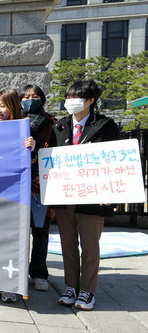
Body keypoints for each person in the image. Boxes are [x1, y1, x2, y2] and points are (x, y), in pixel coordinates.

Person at [53, 80, 120, 311]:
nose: (70, 102)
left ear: (91, 100)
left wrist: (111, 190)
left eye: (76, 98)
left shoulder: (106, 126)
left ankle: (88, 291)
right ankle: (71, 286)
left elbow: (117, 161)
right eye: (68, 97)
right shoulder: (60, 126)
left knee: (90, 246)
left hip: (93, 197)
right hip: (64, 196)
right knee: (67, 244)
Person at [0, 89, 35, 303]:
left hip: (14, 196)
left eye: (2, 106)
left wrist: (32, 149)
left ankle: (9, 285)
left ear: (13, 106)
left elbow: (30, 165)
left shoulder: (26, 130)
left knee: (11, 240)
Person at [20, 85, 57, 292]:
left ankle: (40, 273)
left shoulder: (50, 124)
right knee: (19, 230)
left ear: (42, 99)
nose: (30, 99)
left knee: (40, 231)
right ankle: (19, 270)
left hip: (39, 185)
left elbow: (52, 152)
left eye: (35, 96)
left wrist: (35, 153)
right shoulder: (16, 122)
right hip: (18, 186)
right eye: (25, 96)